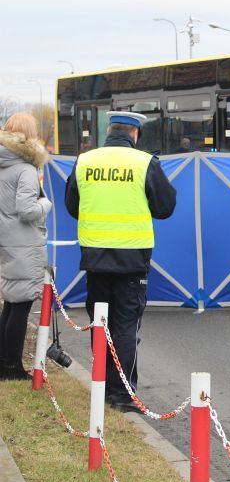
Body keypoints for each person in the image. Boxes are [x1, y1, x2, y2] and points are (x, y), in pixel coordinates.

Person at [65, 111, 176, 412]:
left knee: (100, 323)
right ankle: (123, 395)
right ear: (135, 134)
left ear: (109, 131)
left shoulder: (85, 161)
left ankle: (101, 387)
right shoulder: (144, 163)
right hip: (132, 258)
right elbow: (165, 207)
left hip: (95, 256)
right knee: (125, 326)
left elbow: (72, 206)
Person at [0, 113, 52, 380]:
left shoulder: (4, 164)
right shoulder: (26, 169)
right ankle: (12, 369)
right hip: (24, 243)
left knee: (10, 303)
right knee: (20, 307)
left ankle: (4, 364)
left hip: (7, 241)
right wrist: (46, 204)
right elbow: (27, 210)